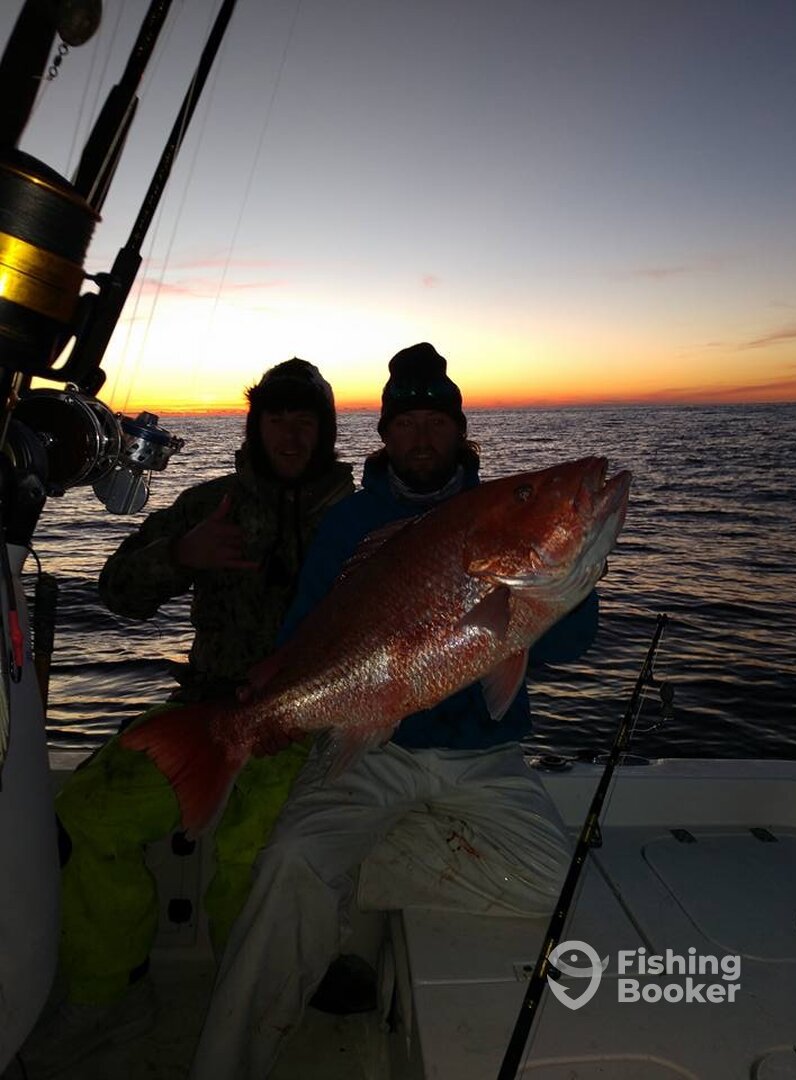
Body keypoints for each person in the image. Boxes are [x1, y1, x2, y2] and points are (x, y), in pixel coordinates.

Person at [189, 343, 600, 1080]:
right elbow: (304, 636)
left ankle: (358, 866)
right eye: (405, 423)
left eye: (436, 422)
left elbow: (571, 644)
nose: (421, 437)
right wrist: (272, 705)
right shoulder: (352, 522)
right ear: (384, 434)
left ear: (460, 431)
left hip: (486, 756)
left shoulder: (498, 517)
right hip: (373, 748)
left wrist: (572, 571)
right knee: (288, 863)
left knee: (559, 886)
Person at [15, 359, 354, 1077]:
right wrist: (180, 555)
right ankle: (108, 996)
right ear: (254, 426)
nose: (291, 435)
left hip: (308, 723)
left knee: (252, 860)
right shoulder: (210, 504)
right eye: (276, 419)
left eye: (306, 421)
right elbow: (116, 590)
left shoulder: (359, 520)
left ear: (327, 431)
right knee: (81, 819)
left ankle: (251, 1018)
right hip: (204, 712)